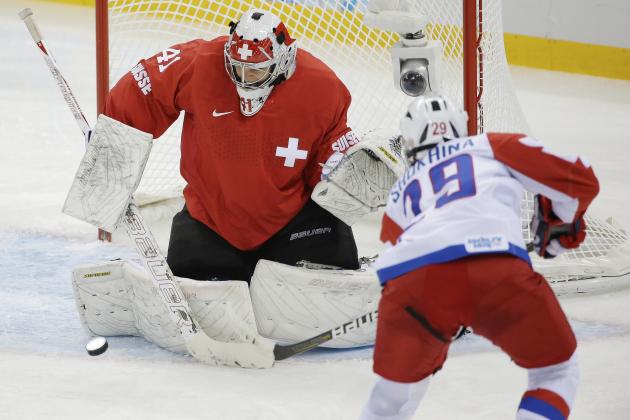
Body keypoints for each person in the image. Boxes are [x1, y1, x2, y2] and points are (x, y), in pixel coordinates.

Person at [359, 94, 599, 419]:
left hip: (410, 284)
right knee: (555, 372)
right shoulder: (490, 145)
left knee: (394, 396)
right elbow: (581, 178)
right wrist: (561, 221)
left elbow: (398, 256)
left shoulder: (401, 189)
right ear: (461, 128)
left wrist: (438, 323)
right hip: (494, 268)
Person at [104, 8, 365, 281]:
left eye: (253, 71)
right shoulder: (202, 61)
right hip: (211, 222)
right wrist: (113, 132)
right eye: (236, 67)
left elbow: (331, 147)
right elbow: (146, 86)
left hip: (293, 223)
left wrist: (340, 168)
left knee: (336, 271)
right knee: (188, 276)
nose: (242, 77)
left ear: (283, 61)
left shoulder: (322, 87)